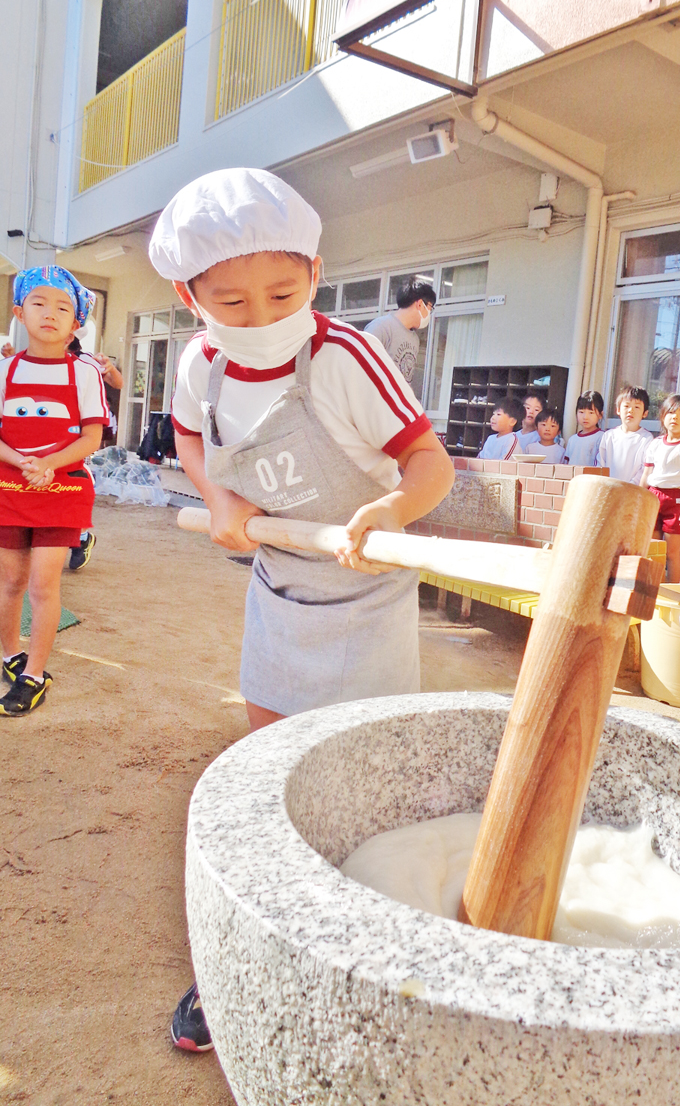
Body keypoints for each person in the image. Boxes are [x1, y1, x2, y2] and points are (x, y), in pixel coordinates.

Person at [149, 167, 454, 1052]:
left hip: (367, 595)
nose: (259, 315)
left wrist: (392, 510)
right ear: (189, 295)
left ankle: (355, 968)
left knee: (358, 787)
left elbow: (428, 461)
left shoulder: (346, 356)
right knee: (260, 782)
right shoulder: (199, 364)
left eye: (282, 292)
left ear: (315, 276)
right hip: (281, 586)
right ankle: (233, 966)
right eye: (232, 300)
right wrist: (219, 504)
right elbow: (191, 441)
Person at [0, 266, 107, 715]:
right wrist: (21, 461)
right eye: (39, 304)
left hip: (63, 492)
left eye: (63, 307)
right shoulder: (4, 369)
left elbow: (90, 438)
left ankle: (33, 675)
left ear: (76, 322)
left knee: (44, 586)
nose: (50, 314)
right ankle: (10, 656)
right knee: (10, 582)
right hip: (9, 488)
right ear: (19, 312)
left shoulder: (84, 373)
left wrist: (47, 463)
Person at [66, 339, 125, 570]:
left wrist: (109, 368)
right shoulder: (36, 360)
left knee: (77, 482)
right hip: (49, 432)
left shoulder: (86, 361)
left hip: (82, 431)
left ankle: (80, 538)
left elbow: (118, 384)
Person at [640, 394, 680, 583]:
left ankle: (673, 592)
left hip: (677, 500)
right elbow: (646, 474)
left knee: (672, 552)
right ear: (663, 417)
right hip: (653, 496)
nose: (674, 417)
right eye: (670, 413)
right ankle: (651, 591)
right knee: (652, 548)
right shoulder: (655, 443)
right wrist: (640, 499)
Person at [363, 276, 435, 384]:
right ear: (420, 304)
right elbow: (360, 366)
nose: (429, 314)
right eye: (430, 309)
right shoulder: (381, 327)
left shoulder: (414, 339)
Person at [596, 385, 652, 484]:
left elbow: (644, 469)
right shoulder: (609, 436)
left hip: (631, 492)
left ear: (645, 413)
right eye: (626, 406)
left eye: (637, 407)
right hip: (607, 489)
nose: (631, 410)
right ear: (618, 410)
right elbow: (600, 463)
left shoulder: (647, 438)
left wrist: (629, 487)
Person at [564, 390, 604, 466]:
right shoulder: (572, 439)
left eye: (591, 413)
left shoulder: (602, 438)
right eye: (581, 412)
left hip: (590, 477)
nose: (585, 417)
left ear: (600, 415)